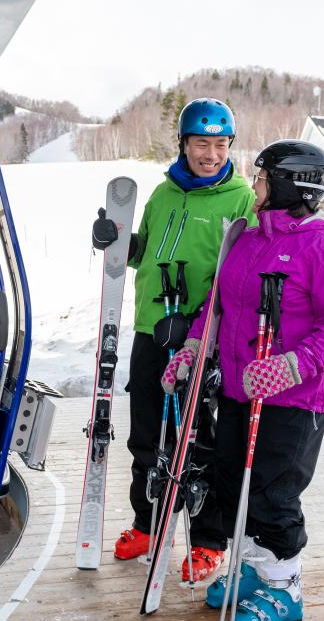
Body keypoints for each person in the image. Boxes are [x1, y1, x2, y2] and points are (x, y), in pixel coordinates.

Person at [163, 139, 324, 621]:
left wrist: (293, 365)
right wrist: (194, 348)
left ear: (285, 185)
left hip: (295, 398)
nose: (253, 185)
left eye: (261, 177)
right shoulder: (249, 238)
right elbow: (218, 303)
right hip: (240, 387)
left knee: (274, 492)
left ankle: (286, 586)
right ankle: (257, 569)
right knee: (237, 482)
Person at [94, 98, 257, 582]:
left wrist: (199, 328)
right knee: (147, 434)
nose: (211, 154)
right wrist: (120, 243)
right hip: (151, 328)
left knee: (202, 439)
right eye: (201, 144)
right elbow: (147, 254)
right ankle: (150, 521)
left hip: (202, 337)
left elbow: (240, 273)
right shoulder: (164, 194)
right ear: (183, 144)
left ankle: (208, 539)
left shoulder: (241, 199)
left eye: (221, 144)